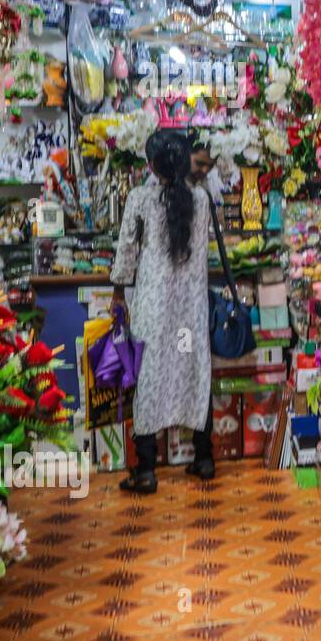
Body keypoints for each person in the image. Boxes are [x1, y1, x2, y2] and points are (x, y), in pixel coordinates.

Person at [109, 129, 214, 493]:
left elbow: (126, 249)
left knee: (150, 376)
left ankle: (146, 469)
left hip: (154, 312)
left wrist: (119, 291)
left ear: (152, 166)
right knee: (191, 367)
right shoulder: (201, 200)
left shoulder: (140, 199)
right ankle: (203, 457)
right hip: (188, 313)